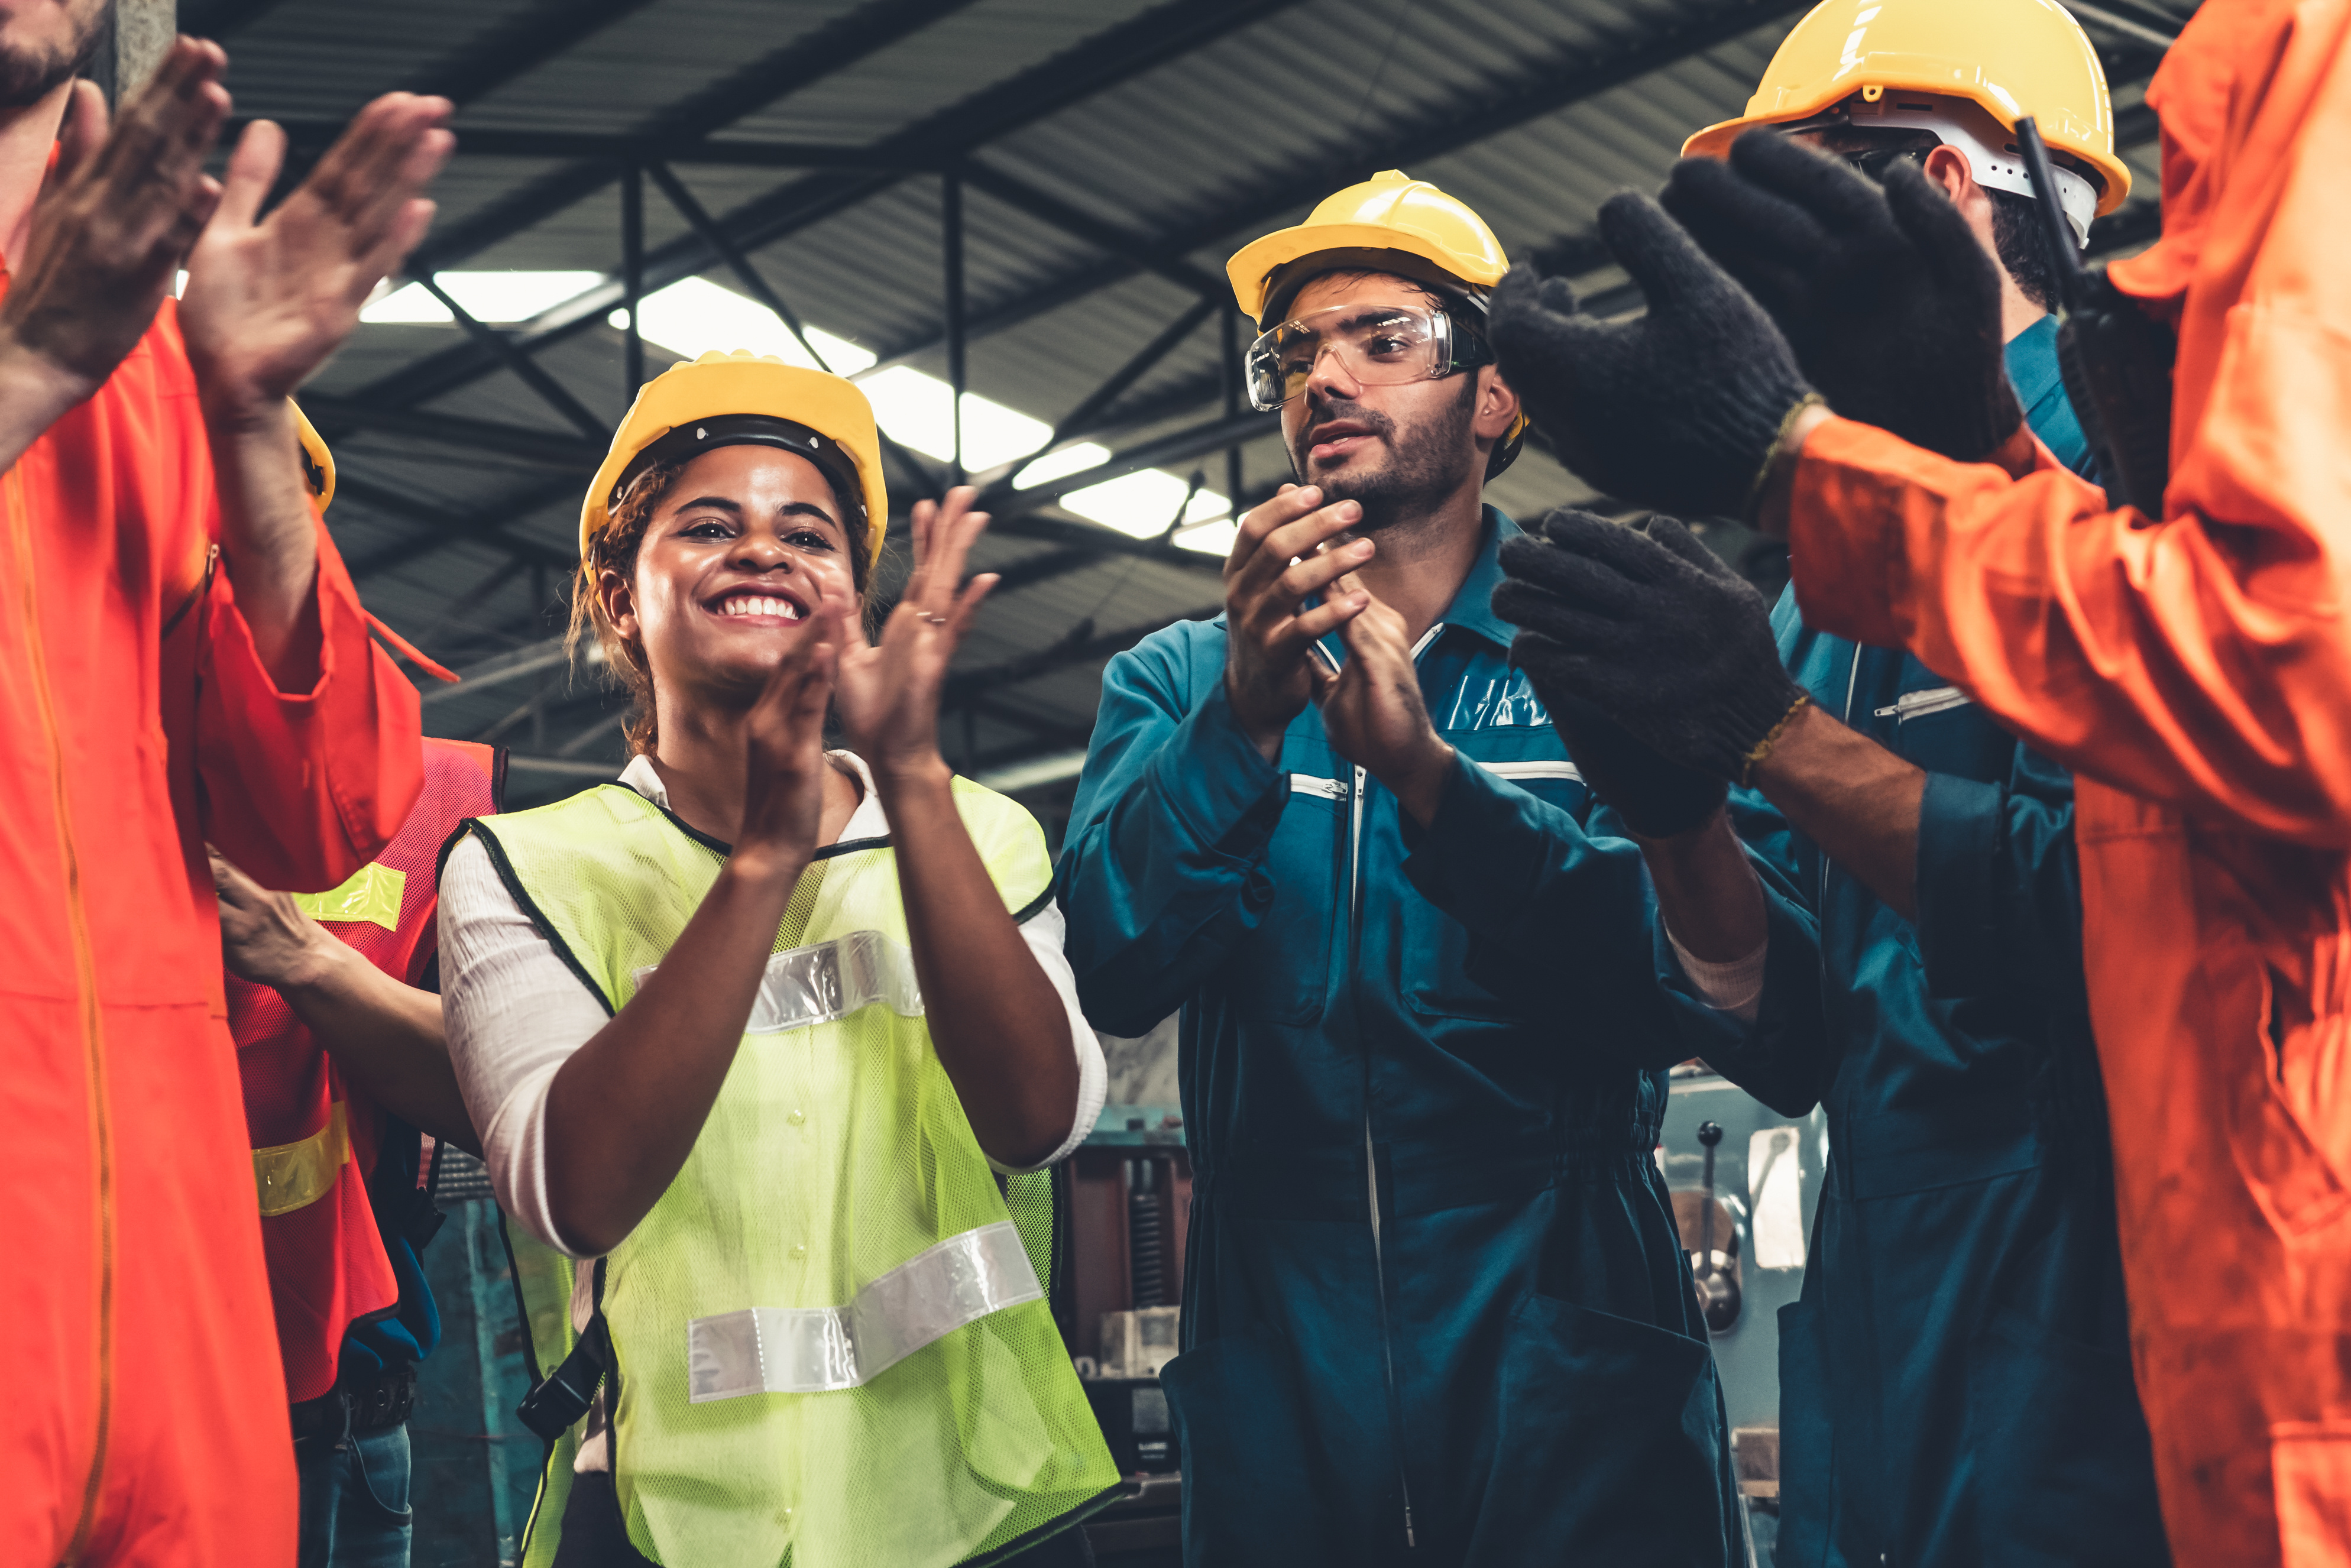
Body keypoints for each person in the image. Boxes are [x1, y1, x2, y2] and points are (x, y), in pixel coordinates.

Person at [1477, 1, 2351, 1560]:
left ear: (1941, 193)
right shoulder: (1819, 585)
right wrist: (1678, 811)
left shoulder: (2144, 472)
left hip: (2111, 1300)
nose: (1747, 273)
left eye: (1789, 195)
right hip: (1883, 1329)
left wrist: (1767, 723)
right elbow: (1795, 1026)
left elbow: (2134, 910)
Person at [1055, 173, 1783, 1566]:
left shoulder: (1598, 647)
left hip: (1559, 1311)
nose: (1322, 373)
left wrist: (1439, 791)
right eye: (1295, 353)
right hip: (1279, 1337)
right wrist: (1242, 724)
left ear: (1495, 397)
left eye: (1381, 338)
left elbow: (1712, 987)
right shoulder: (1176, 680)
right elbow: (1114, 963)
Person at [437, 351, 1121, 1568]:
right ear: (615, 595)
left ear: (851, 598)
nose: (762, 551)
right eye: (708, 525)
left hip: (969, 1503)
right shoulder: (523, 866)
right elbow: (572, 1193)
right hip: (669, 1516)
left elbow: (1036, 1122)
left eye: (809, 534)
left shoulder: (974, 830)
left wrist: (908, 774)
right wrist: (762, 857)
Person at [0, 11, 452, 1561]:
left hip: (184, 1344)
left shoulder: (164, 363)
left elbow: (319, 810)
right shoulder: (79, 348)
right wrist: (20, 377)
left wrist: (249, 417)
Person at [217, 574, 503, 1568]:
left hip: (354, 1415)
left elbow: (508, 1096)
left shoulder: (430, 803)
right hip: (113, 1409)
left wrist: (305, 961)